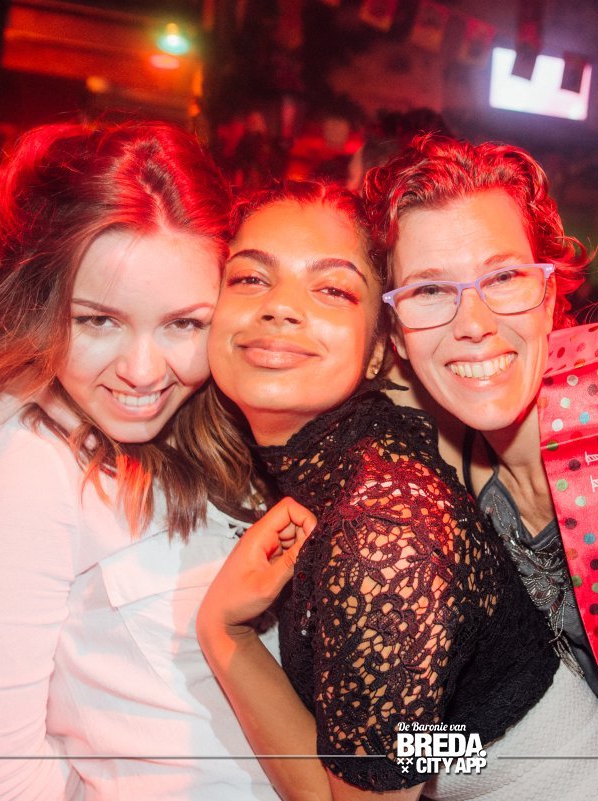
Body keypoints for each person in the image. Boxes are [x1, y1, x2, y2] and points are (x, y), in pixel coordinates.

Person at [0, 121, 282, 801]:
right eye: (98, 321)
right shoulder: (26, 468)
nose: (142, 371)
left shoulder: (235, 426)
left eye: (183, 323)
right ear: (43, 305)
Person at [196, 181, 577, 800]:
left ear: (379, 351)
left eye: (332, 289)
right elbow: (426, 748)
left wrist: (224, 631)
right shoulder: (339, 457)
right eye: (250, 279)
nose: (280, 308)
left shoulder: (381, 532)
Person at [364, 136, 598, 797]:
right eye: (430, 290)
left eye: (504, 278)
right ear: (394, 336)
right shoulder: (439, 462)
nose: (473, 322)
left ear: (550, 293)